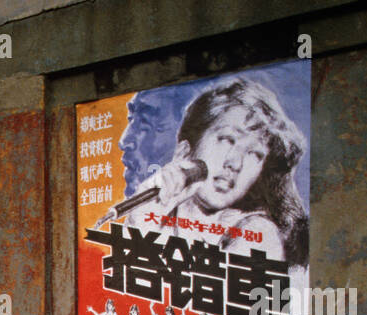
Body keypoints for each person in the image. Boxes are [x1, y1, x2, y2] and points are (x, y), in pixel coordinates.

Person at [127, 78, 308, 283]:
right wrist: (144, 217)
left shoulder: (257, 233)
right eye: (227, 140)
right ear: (185, 152)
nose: (235, 163)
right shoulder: (156, 213)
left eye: (255, 154)